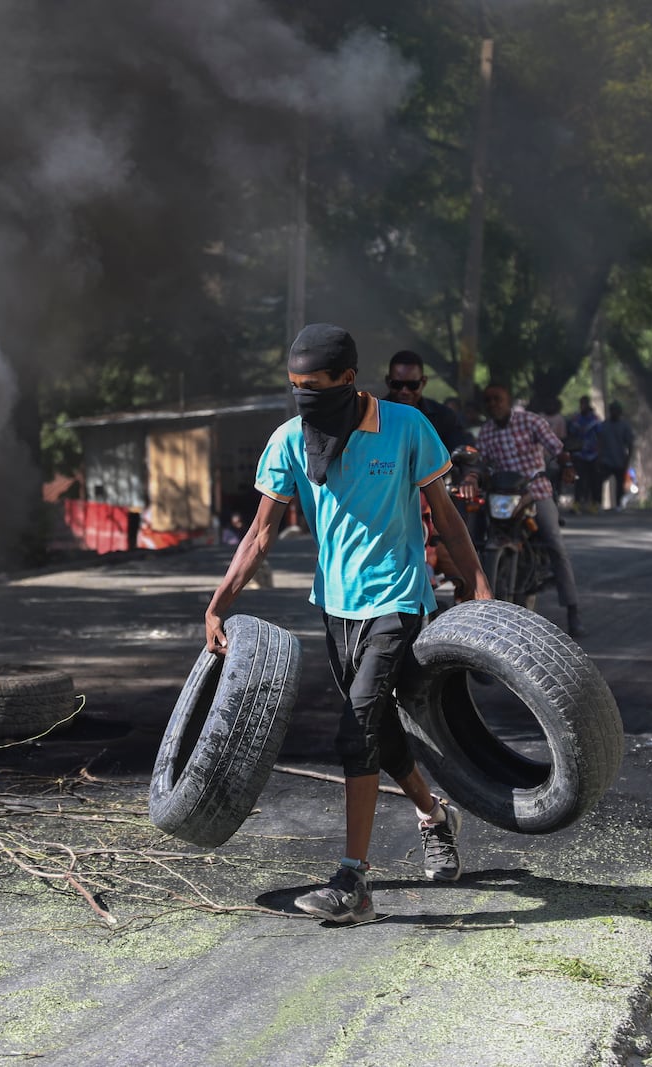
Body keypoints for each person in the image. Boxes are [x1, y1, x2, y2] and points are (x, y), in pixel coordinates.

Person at [206, 323, 492, 925]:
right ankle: (435, 818)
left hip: (398, 600)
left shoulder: (406, 427)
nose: (304, 396)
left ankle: (353, 882)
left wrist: (479, 587)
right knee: (378, 734)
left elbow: (445, 516)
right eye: (295, 387)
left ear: (347, 379)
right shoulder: (289, 441)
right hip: (335, 607)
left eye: (315, 386)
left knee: (355, 724)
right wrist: (219, 601)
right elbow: (261, 533)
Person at [473, 383, 584, 638]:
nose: (493, 404)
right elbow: (481, 463)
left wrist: (567, 465)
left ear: (508, 400)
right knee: (476, 534)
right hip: (502, 496)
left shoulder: (530, 422)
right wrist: (473, 475)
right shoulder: (486, 432)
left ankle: (572, 610)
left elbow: (557, 448)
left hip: (535, 492)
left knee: (555, 544)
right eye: (488, 400)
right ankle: (482, 605)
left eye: (498, 399)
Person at [384, 350, 478, 601]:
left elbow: (464, 445)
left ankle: (468, 623)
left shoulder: (443, 417)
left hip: (434, 509)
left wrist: (469, 477)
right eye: (397, 384)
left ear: (423, 383)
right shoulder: (374, 416)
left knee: (465, 569)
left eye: (412, 385)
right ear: (388, 382)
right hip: (389, 508)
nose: (404, 391)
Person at [565, 397, 603, 514]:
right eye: (581, 404)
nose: (582, 406)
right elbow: (571, 434)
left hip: (593, 454)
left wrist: (600, 452)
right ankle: (577, 503)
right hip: (579, 454)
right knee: (579, 480)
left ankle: (595, 504)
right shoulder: (576, 419)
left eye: (584, 404)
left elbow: (600, 435)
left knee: (594, 480)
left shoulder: (595, 419)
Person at [597, 401, 636, 511]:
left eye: (616, 411)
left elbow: (630, 444)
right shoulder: (604, 425)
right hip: (606, 459)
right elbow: (599, 441)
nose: (614, 413)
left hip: (619, 459)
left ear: (620, 412)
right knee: (600, 481)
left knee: (620, 483)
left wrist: (628, 459)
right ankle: (598, 502)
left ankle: (618, 504)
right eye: (612, 410)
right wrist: (599, 456)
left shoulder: (625, 426)